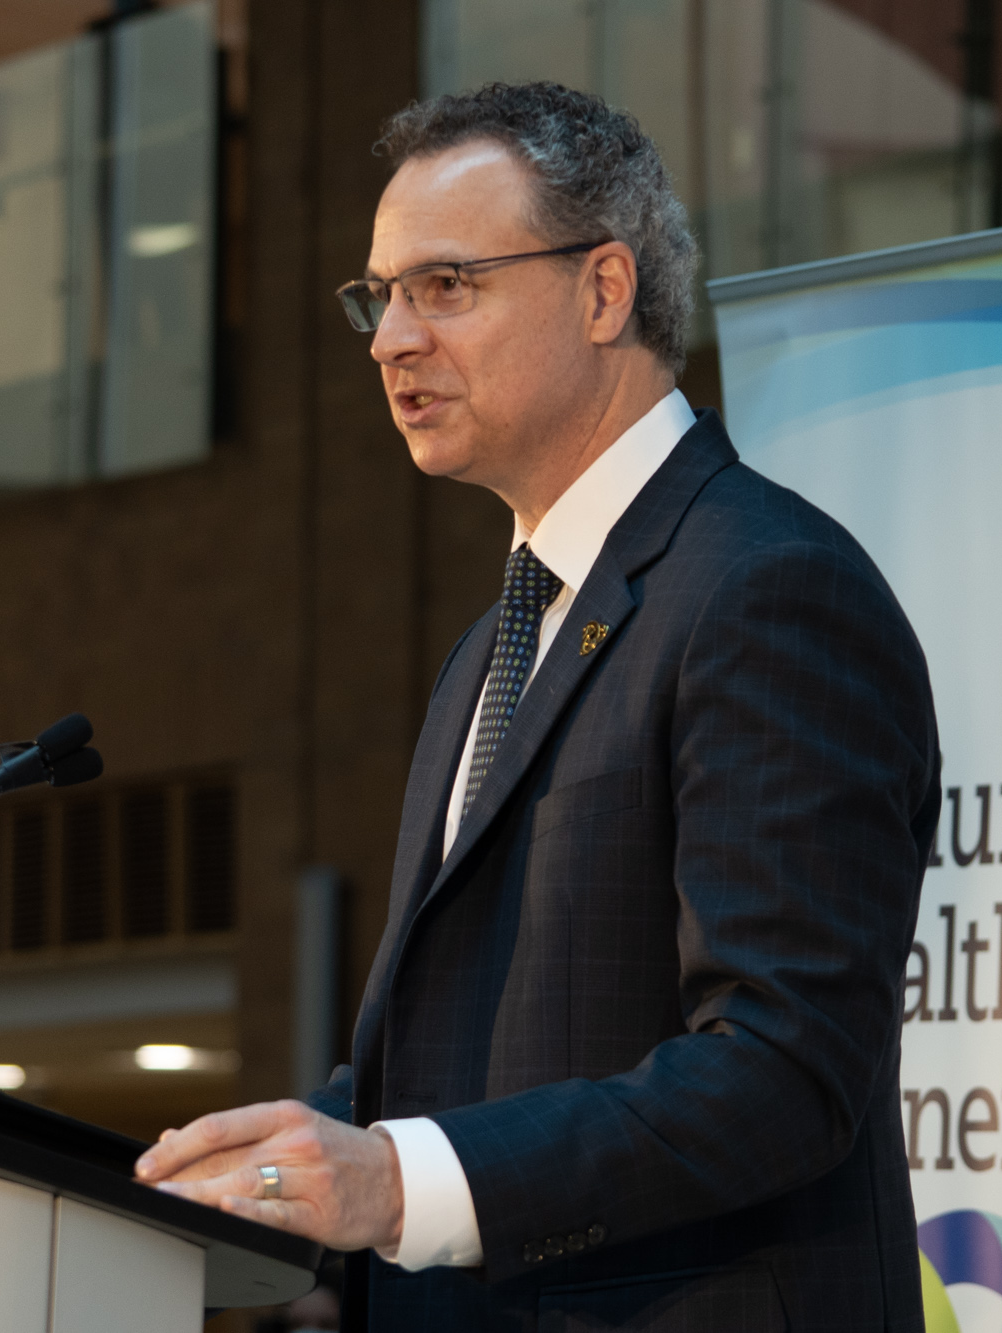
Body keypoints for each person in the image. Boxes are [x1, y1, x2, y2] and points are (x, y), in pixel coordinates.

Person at [134, 82, 941, 1331]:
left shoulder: (767, 588)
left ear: (603, 290)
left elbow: (781, 1070)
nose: (388, 339)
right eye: (379, 295)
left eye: (444, 286)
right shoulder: (491, 649)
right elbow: (456, 1058)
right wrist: (274, 1166)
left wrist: (396, 1181)